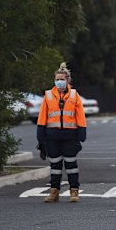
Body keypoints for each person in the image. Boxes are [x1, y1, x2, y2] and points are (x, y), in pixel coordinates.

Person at [37, 63, 86, 203]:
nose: (59, 82)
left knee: (71, 165)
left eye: (62, 79)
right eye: (57, 79)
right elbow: (42, 116)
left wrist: (82, 133)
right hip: (52, 137)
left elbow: (80, 115)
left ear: (67, 80)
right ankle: (54, 192)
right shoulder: (48, 95)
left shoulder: (74, 95)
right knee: (55, 166)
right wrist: (40, 137)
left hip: (70, 136)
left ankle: (74, 191)